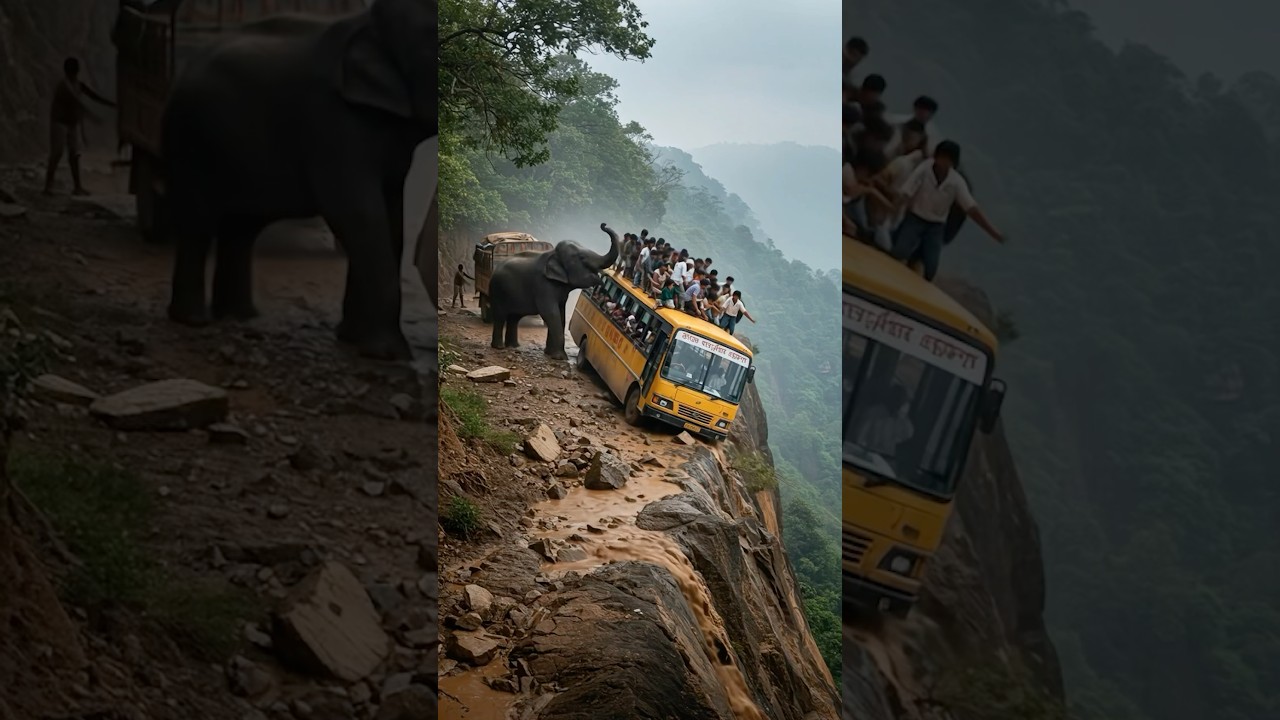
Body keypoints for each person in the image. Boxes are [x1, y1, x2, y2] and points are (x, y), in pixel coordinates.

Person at [890, 140, 1005, 281]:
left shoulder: (956, 182)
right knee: (899, 251)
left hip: (936, 226)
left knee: (930, 267)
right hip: (916, 217)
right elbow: (907, 190)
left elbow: (971, 208)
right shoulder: (924, 169)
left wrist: (993, 232)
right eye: (942, 158)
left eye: (948, 160)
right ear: (936, 157)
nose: (944, 163)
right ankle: (894, 239)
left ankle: (916, 258)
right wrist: (895, 207)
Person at [44, 57, 115, 196]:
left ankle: (77, 187)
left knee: (74, 155)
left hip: (71, 123)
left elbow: (93, 96)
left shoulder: (77, 84)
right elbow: (78, 103)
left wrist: (110, 104)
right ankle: (48, 186)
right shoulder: (64, 86)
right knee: (57, 153)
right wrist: (94, 117)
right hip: (59, 122)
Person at [853, 385, 914, 459]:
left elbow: (908, 435)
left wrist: (903, 416)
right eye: (903, 403)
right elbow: (860, 437)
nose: (904, 407)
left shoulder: (897, 419)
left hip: (884, 458)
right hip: (868, 456)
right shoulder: (875, 412)